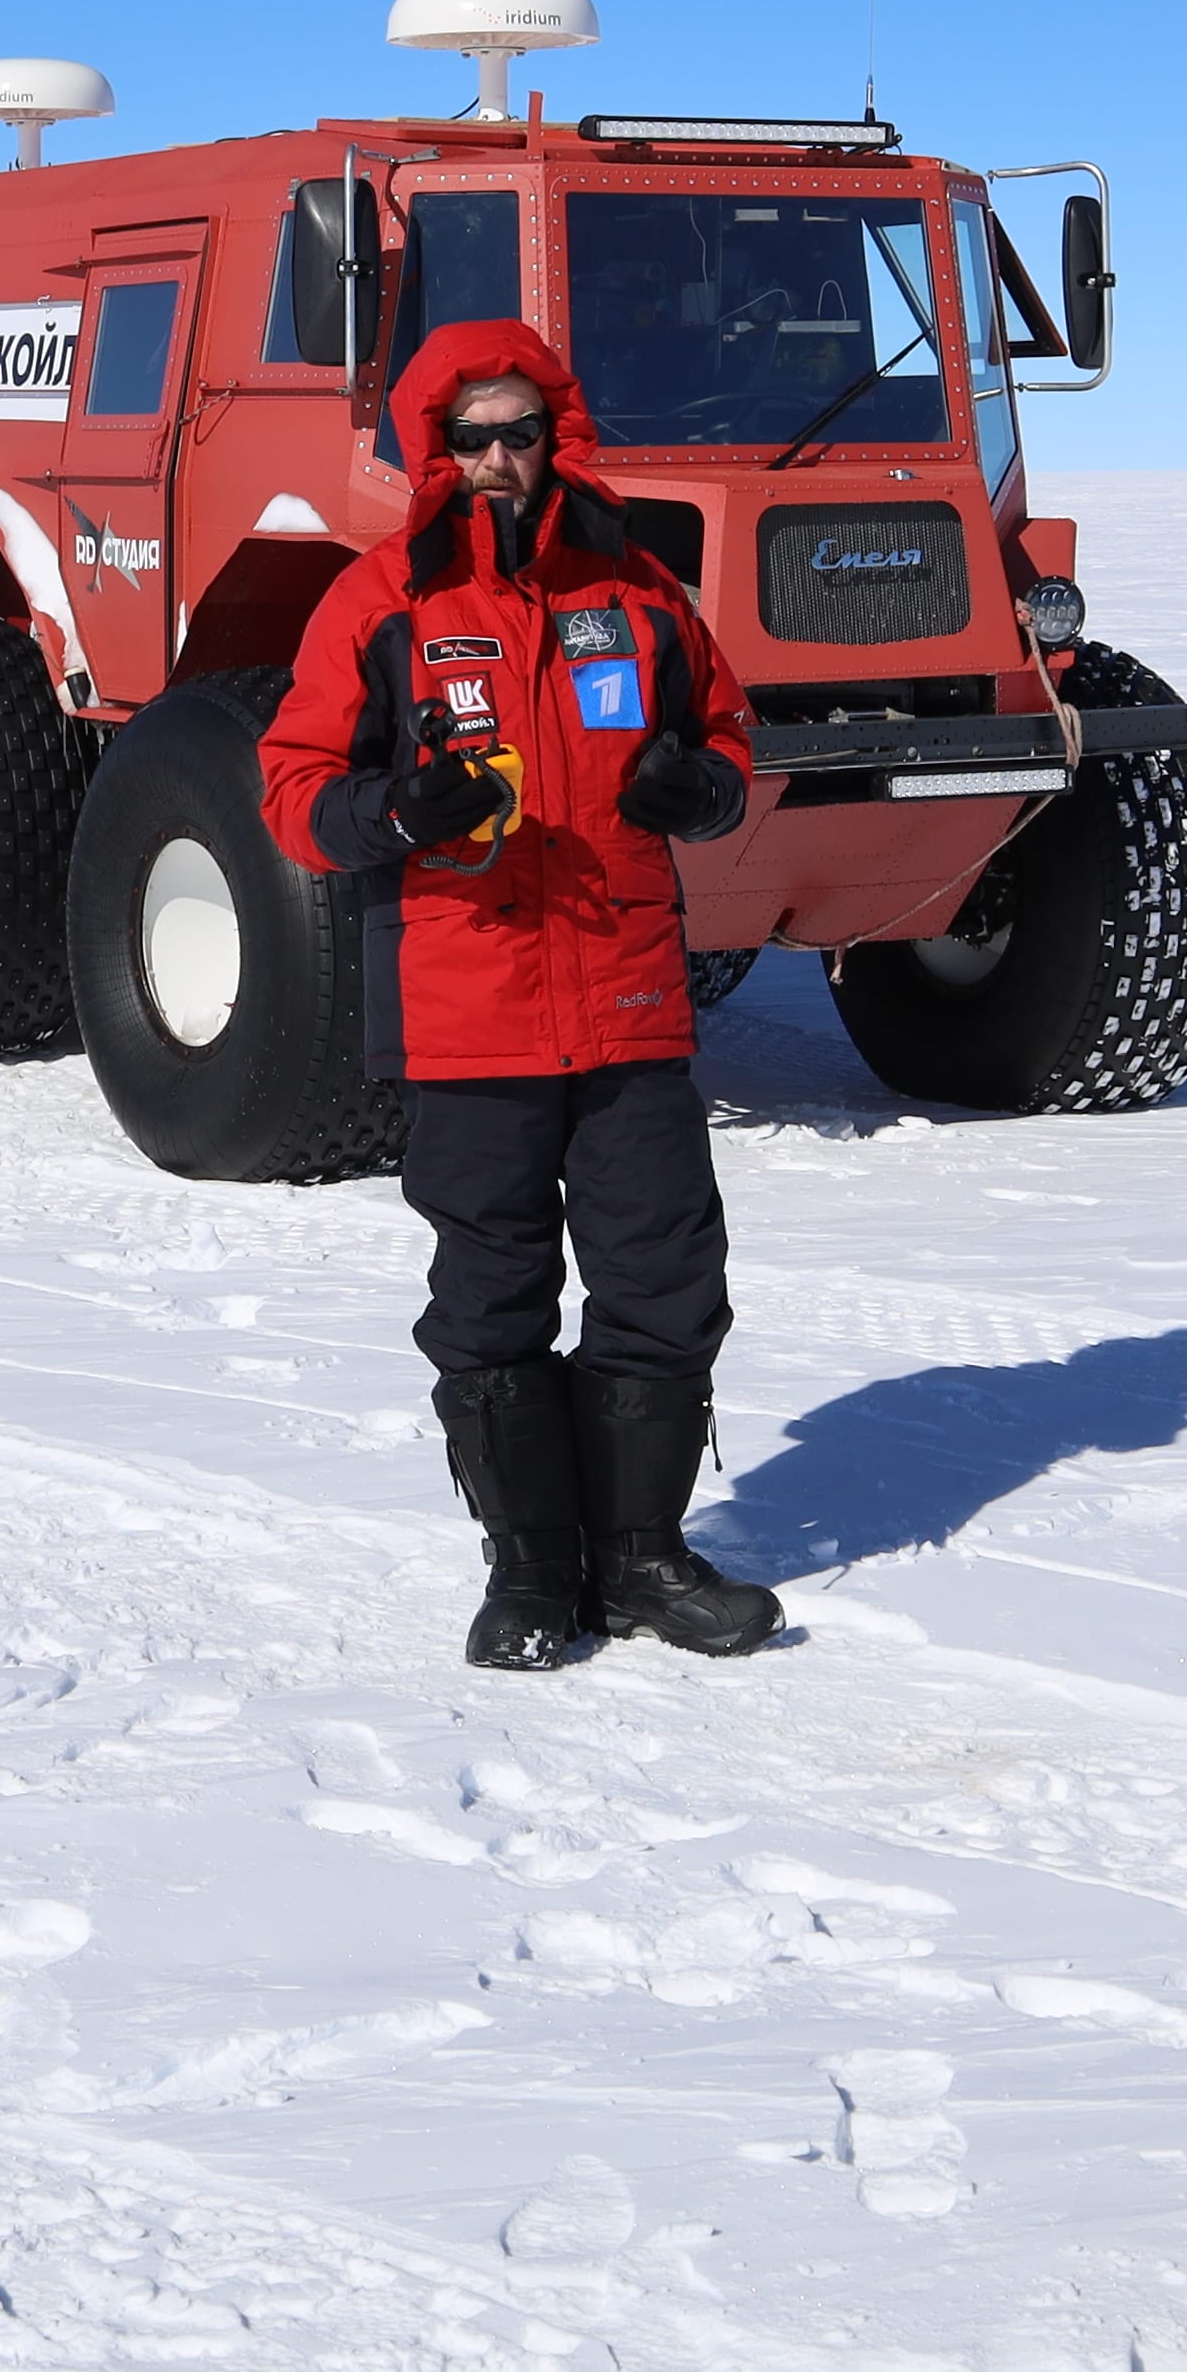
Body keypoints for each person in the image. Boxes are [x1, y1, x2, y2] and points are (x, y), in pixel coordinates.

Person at [257, 321, 784, 1671]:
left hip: (626, 1004)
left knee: (668, 1284)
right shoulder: (382, 600)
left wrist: (707, 788)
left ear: (559, 438)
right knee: (491, 1301)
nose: (499, 458)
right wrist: (396, 807)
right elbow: (293, 787)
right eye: (473, 436)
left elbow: (725, 734)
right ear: (438, 451)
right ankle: (534, 1574)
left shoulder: (641, 591)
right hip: (469, 1009)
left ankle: (643, 1560)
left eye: (521, 432)